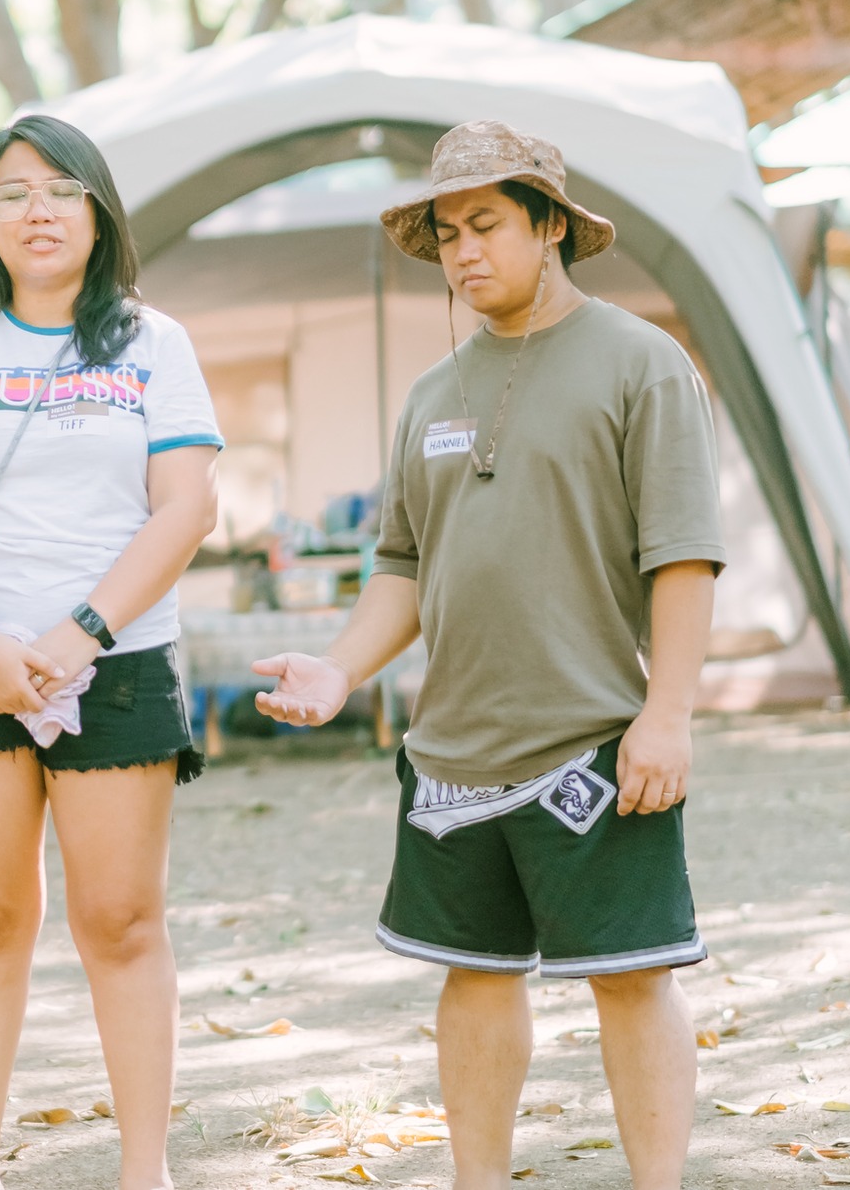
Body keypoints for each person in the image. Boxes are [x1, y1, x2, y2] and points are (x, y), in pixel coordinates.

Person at [252, 120, 723, 1190]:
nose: (463, 252)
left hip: (596, 743)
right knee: (471, 974)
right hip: (452, 754)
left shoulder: (642, 363)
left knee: (631, 977)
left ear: (548, 224)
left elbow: (683, 554)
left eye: (486, 224)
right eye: (447, 233)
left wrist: (669, 715)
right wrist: (338, 667)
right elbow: (402, 566)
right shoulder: (431, 394)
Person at [0, 114, 222, 1190]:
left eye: (61, 189)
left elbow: (185, 508)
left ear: (98, 210)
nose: (38, 210)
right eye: (13, 193)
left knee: (120, 920)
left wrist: (81, 632)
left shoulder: (154, 344)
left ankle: (142, 1171)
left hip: (115, 658)